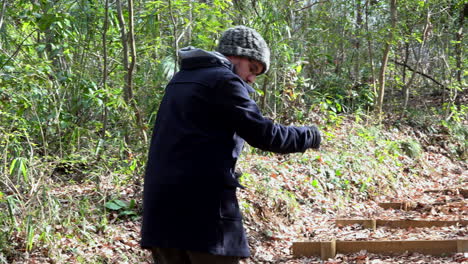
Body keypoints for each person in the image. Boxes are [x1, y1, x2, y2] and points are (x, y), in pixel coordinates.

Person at [141, 25, 321, 264]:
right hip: (203, 212)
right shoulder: (223, 80)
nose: (252, 78)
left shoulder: (181, 79)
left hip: (160, 213)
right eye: (252, 68)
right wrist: (309, 135)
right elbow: (264, 134)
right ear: (236, 55)